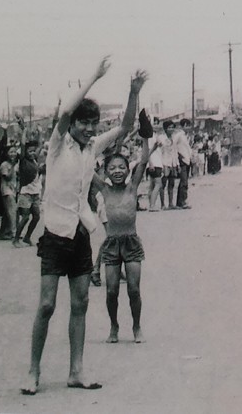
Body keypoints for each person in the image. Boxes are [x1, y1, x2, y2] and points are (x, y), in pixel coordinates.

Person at [21, 58, 145, 396]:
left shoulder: (93, 147)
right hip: (54, 234)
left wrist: (133, 92)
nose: (91, 129)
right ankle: (33, 371)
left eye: (94, 123)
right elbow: (64, 113)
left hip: (79, 234)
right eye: (85, 123)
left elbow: (126, 125)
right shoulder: (57, 145)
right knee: (47, 305)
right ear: (73, 123)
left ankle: (76, 371)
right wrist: (94, 76)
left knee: (80, 305)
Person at [93, 132, 151, 344]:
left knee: (134, 289)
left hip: (131, 242)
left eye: (121, 167)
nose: (117, 171)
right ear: (106, 172)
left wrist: (145, 138)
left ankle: (136, 326)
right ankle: (114, 326)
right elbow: (86, 169)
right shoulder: (104, 190)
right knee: (111, 291)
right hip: (111, 245)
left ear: (128, 170)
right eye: (112, 168)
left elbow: (143, 161)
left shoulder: (132, 187)